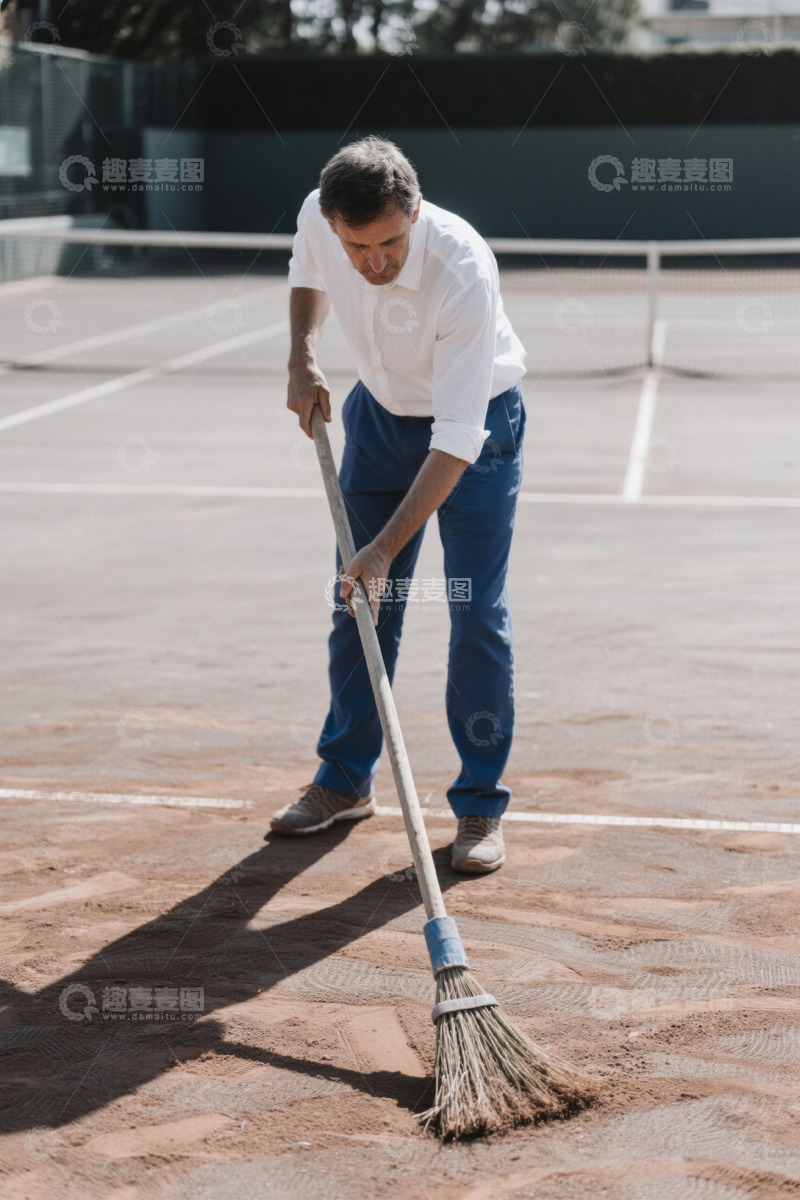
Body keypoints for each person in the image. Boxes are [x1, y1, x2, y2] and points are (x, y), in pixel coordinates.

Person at [270, 136, 527, 874]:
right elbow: (306, 273)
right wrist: (302, 354)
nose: (374, 263)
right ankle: (345, 779)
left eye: (388, 243)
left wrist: (384, 546)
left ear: (413, 212)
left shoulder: (461, 267)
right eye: (358, 247)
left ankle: (480, 805)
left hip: (475, 431)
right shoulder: (321, 222)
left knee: (475, 608)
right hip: (379, 420)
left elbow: (455, 439)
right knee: (356, 598)